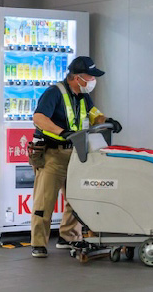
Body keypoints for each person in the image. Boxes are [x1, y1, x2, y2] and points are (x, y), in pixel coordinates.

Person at [28, 56, 122, 258]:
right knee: (45, 200)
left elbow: (95, 114)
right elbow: (39, 118)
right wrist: (61, 132)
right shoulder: (54, 93)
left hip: (75, 152)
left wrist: (109, 121)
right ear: (77, 77)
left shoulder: (83, 95)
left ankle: (68, 236)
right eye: (90, 77)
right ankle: (38, 243)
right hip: (52, 153)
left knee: (77, 197)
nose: (93, 81)